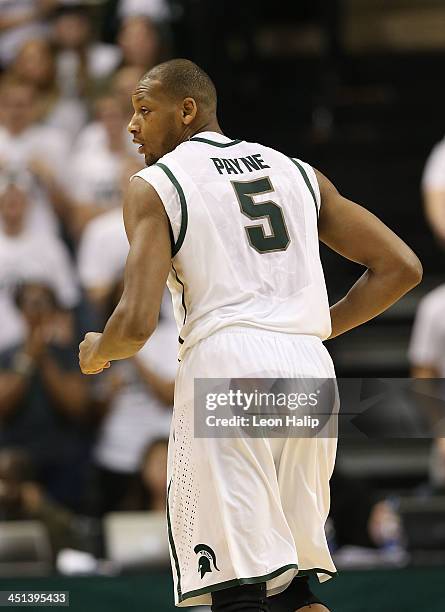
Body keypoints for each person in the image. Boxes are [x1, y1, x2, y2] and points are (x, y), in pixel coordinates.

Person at [79, 59, 422, 611]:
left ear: (187, 110)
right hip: (310, 372)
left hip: (229, 370)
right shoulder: (296, 171)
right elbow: (402, 266)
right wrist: (312, 327)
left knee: (233, 589)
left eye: (144, 110)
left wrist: (98, 350)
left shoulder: (154, 185)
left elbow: (136, 323)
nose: (132, 126)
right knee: (290, 589)